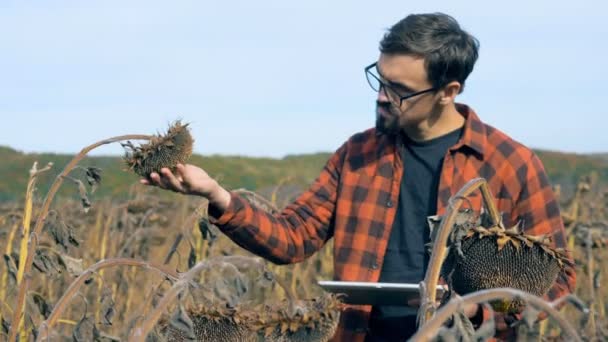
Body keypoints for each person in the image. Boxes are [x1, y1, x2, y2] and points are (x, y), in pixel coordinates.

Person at [143, 12, 576, 341]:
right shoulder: (357, 154)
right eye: (380, 79)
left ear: (449, 92)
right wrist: (216, 194)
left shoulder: (508, 163)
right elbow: (293, 236)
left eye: (401, 91)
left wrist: (486, 313)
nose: (383, 97)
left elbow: (556, 281)